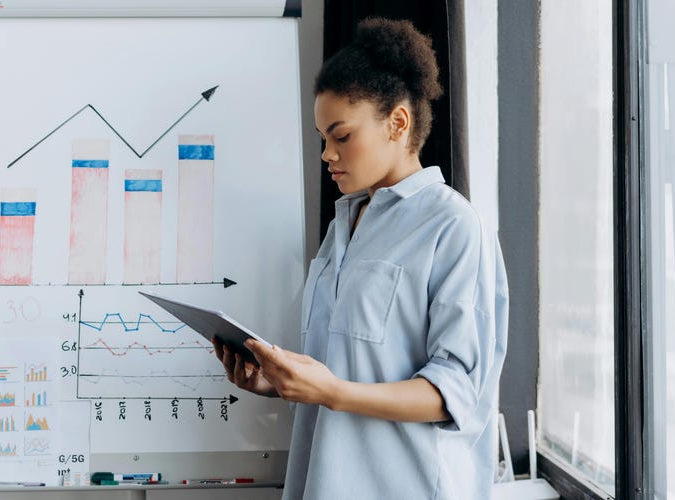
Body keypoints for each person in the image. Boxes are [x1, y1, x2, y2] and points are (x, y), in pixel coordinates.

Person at [212, 17, 509, 500]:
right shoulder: (343, 227)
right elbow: (343, 366)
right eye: (322, 138)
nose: (327, 154)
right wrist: (279, 383)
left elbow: (453, 393)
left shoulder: (454, 227)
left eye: (342, 136)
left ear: (398, 123)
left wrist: (331, 392)